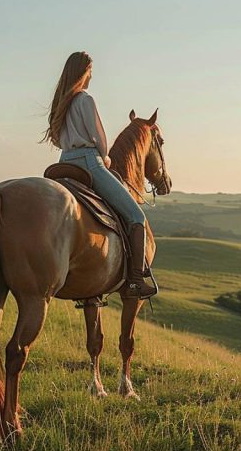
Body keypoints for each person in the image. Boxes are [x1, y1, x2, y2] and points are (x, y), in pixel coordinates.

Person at [41, 51, 156, 299]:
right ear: (84, 72)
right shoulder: (85, 100)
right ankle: (135, 281)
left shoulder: (60, 104)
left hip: (63, 162)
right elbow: (99, 139)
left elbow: (58, 139)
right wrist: (104, 157)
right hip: (89, 163)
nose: (92, 77)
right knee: (136, 216)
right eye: (91, 72)